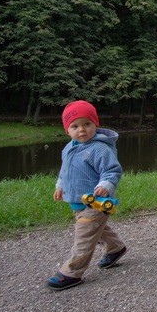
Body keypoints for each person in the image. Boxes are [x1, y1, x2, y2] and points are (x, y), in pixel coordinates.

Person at [46, 100, 127, 290]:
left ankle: (72, 272)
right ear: (67, 130)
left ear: (95, 125)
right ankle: (116, 248)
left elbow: (112, 170)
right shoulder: (68, 148)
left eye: (87, 124)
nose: (81, 130)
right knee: (97, 230)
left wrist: (105, 185)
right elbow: (64, 171)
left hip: (96, 203)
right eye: (75, 126)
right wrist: (60, 187)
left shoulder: (99, 149)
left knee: (84, 235)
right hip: (77, 202)